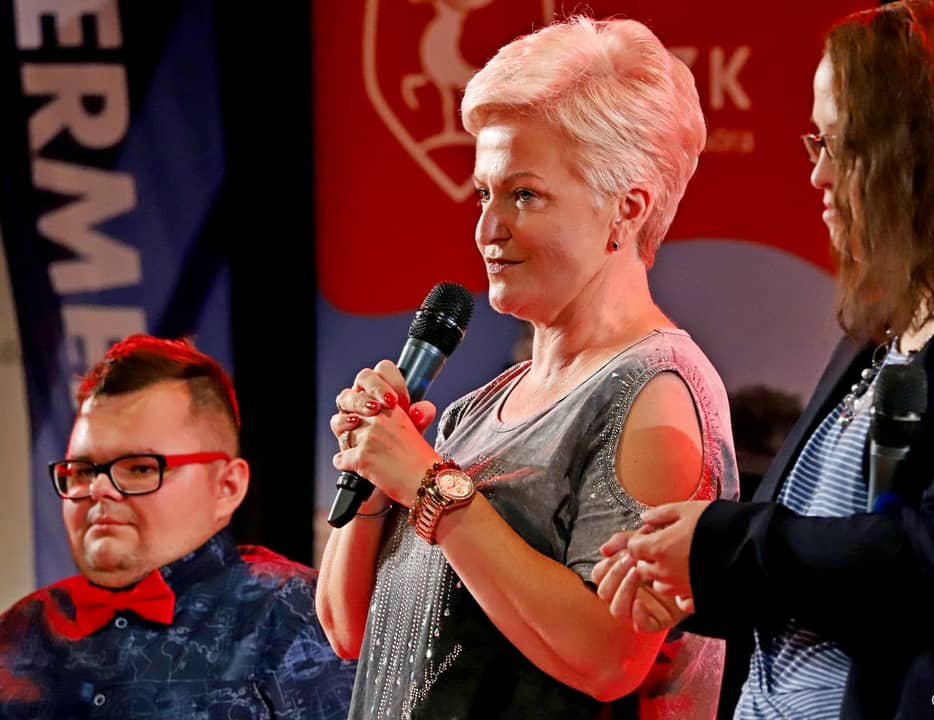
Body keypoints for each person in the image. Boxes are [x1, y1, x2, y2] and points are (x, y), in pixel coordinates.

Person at [594, 1, 934, 718]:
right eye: (813, 144)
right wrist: (694, 584)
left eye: (841, 146)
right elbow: (826, 566)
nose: (818, 176)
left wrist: (719, 545)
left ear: (925, 155)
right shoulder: (879, 329)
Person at [316, 15, 738, 720]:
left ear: (626, 209)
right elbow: (349, 629)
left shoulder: (656, 392)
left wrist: (429, 485)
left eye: (524, 194)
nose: (487, 229)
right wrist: (376, 471)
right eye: (484, 193)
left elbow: (609, 657)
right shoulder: (473, 412)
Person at [0, 335, 356, 719]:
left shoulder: (295, 614)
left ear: (227, 486)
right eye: (82, 471)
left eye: (140, 468)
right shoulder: (20, 631)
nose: (99, 489)